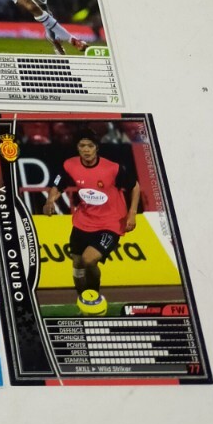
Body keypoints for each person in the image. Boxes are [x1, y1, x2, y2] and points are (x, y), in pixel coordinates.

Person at [42, 129, 140, 311]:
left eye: (90, 146)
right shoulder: (70, 165)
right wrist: (50, 201)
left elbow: (135, 186)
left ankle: (94, 296)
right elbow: (58, 186)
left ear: (96, 148)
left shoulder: (112, 168)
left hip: (111, 223)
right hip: (83, 222)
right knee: (77, 265)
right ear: (77, 148)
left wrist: (132, 213)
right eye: (82, 146)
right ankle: (83, 302)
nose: (86, 150)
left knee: (88, 260)